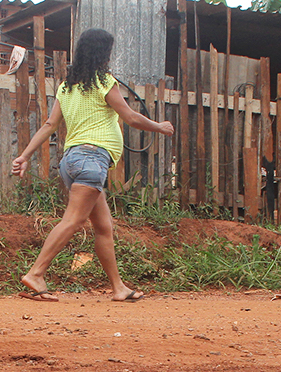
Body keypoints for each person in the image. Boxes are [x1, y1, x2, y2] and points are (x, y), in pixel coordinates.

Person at [12, 28, 175, 303]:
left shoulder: (68, 86)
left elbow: (50, 125)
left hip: (73, 161)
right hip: (91, 160)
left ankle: (119, 288)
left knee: (103, 226)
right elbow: (131, 117)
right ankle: (36, 273)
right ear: (103, 53)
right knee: (73, 220)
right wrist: (159, 126)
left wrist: (25, 155)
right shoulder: (104, 82)